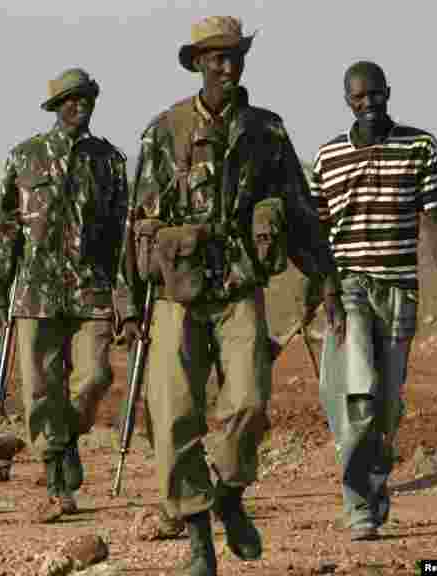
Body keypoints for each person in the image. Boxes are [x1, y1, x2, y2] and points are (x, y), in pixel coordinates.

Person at [116, 16, 344, 575]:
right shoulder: (162, 132)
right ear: (197, 63)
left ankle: (231, 493)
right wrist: (127, 306)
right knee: (173, 417)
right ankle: (198, 537)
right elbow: (135, 224)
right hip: (175, 294)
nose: (227, 65)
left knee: (249, 403)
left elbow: (299, 210)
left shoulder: (267, 132)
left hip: (240, 284)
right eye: (215, 56)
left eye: (234, 55)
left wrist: (326, 278)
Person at [310, 60, 437, 541]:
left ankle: (374, 500)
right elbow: (316, 234)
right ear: (347, 101)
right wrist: (325, 292)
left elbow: (432, 220)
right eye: (359, 97)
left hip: (400, 293)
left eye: (376, 95)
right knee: (357, 399)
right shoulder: (327, 157)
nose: (369, 104)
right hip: (350, 287)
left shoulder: (420, 146)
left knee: (387, 410)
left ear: (388, 93)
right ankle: (358, 508)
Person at [0, 67, 128, 523]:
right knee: (41, 388)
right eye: (71, 98)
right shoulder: (24, 157)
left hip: (92, 288)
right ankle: (57, 475)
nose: (80, 104)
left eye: (86, 97)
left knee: (95, 376)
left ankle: (64, 438)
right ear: (55, 106)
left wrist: (128, 294)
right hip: (35, 292)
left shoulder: (110, 161)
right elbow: (6, 229)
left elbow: (122, 233)